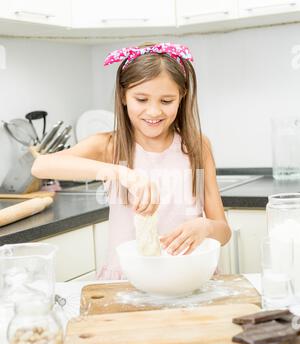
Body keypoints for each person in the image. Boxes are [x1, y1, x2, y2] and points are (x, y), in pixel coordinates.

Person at [32, 42, 231, 280]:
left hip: (188, 276)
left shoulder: (197, 146)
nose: (154, 111)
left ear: (182, 97)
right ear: (123, 96)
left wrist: (206, 228)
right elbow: (41, 166)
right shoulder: (110, 146)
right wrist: (120, 173)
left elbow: (223, 231)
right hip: (127, 280)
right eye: (142, 99)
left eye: (166, 101)